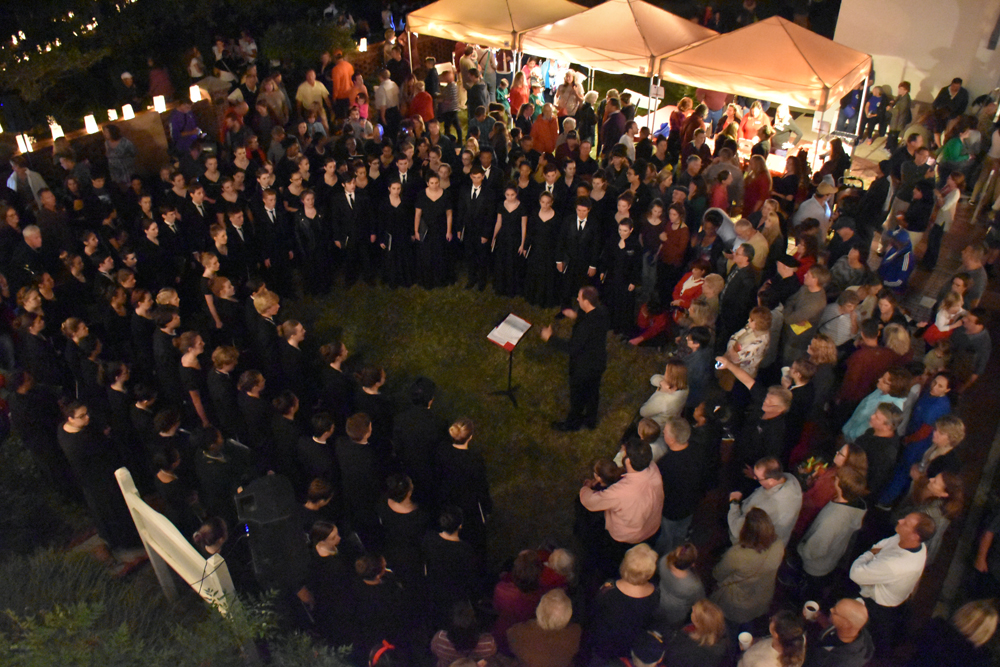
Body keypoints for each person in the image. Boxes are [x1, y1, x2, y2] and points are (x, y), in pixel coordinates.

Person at [849, 512, 936, 657]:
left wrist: (869, 554)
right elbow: (883, 544)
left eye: (906, 523)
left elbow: (856, 573)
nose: (900, 520)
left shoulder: (895, 565)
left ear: (915, 536)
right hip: (893, 597)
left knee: (872, 639)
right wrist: (875, 553)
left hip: (878, 605)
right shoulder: (916, 544)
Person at [579, 438, 663, 573]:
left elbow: (591, 502)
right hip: (653, 528)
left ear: (628, 461)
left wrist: (586, 489)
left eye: (624, 453)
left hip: (627, 539)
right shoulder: (653, 468)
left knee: (614, 562)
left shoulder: (620, 492)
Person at [541, 286, 610, 431]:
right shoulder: (602, 312)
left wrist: (550, 338)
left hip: (584, 367)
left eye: (579, 297)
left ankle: (572, 424)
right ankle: (591, 420)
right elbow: (590, 318)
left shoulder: (585, 327)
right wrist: (576, 316)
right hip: (598, 362)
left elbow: (572, 347)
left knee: (577, 397)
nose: (577, 299)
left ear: (586, 301)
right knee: (593, 393)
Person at [586, 543, 660, 662]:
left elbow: (595, 609)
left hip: (605, 643)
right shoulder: (655, 592)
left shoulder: (609, 589)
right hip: (630, 644)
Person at [711, 507, 784, 625]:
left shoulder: (738, 554)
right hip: (763, 596)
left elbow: (718, 574)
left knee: (730, 624)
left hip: (738, 602)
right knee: (748, 624)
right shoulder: (779, 544)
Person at [728, 457, 802, 546]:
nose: (755, 478)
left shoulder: (769, 506)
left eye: (758, 478)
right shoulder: (789, 478)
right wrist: (756, 476)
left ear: (770, 481)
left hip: (752, 544)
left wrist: (734, 503)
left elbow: (738, 530)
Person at [906, 599, 998, 667]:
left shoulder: (938, 628)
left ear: (964, 612)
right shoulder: (982, 659)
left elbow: (911, 643)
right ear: (987, 632)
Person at [507, 588, 581, 667]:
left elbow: (511, 640)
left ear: (539, 609)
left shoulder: (519, 633)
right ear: (568, 614)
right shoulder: (575, 632)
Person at [804, 598, 874, 667]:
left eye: (835, 612)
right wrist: (818, 616)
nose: (831, 610)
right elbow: (832, 627)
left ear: (846, 624)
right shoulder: (855, 629)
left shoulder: (841, 662)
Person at [655, 543, 704, 628]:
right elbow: (699, 600)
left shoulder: (664, 560)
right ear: (692, 564)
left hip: (659, 600)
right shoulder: (693, 585)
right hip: (676, 613)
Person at [738, 610, 806, 667]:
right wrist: (758, 642)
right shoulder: (798, 640)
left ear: (776, 634)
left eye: (772, 620)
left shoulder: (764, 664)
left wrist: (746, 650)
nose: (771, 620)